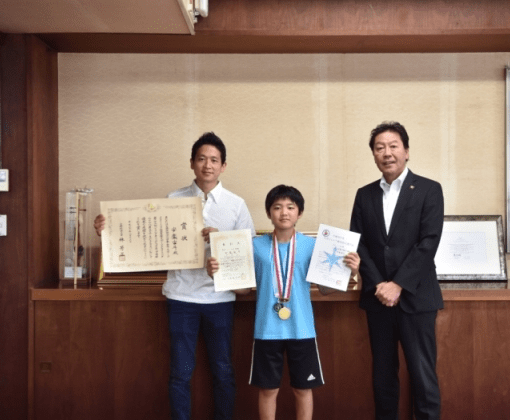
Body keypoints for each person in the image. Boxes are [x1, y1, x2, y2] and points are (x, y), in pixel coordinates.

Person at [94, 132, 255, 420]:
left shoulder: (236, 205)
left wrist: (221, 240)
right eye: (202, 159)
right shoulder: (173, 199)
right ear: (192, 163)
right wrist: (109, 229)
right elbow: (145, 239)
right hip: (181, 297)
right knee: (180, 373)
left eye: (214, 160)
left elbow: (247, 254)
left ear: (224, 166)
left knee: (223, 371)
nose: (208, 165)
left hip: (220, 299)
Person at [207, 185, 360, 420]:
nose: (284, 212)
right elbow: (244, 288)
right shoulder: (255, 246)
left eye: (290, 207)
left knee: (303, 389)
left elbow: (326, 289)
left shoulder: (313, 246)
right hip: (267, 330)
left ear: (299, 213)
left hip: (302, 329)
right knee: (268, 390)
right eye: (277, 207)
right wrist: (218, 274)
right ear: (269, 213)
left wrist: (349, 272)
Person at [349, 122, 444, 420]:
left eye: (393, 146)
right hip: (378, 300)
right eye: (380, 148)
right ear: (373, 155)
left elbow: (428, 242)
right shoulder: (364, 195)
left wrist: (398, 285)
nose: (386, 153)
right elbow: (359, 242)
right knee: (383, 377)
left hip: (416, 299)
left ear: (406, 151)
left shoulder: (429, 189)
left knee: (423, 377)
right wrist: (380, 285)